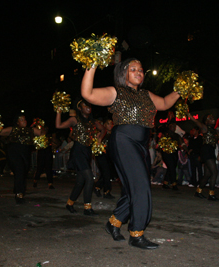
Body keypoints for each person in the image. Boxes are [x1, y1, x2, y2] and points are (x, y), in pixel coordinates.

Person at [81, 58, 180, 249]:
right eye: (132, 69)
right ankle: (137, 233)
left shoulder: (146, 94)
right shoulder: (115, 92)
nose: (138, 72)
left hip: (142, 144)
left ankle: (114, 222)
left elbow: (166, 103)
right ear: (123, 73)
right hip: (123, 140)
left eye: (141, 69)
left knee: (134, 188)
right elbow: (88, 93)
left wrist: (182, 90)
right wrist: (91, 64)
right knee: (141, 185)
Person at [56, 99, 105, 216]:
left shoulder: (94, 121)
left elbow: (103, 129)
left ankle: (70, 203)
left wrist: (99, 140)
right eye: (85, 105)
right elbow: (58, 126)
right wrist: (58, 111)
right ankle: (87, 207)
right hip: (78, 151)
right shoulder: (75, 119)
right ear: (80, 108)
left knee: (80, 181)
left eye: (89, 105)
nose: (88, 107)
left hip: (87, 152)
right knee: (89, 178)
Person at [0, 114, 42, 204]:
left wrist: (39, 124)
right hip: (14, 152)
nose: (24, 121)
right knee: (19, 169)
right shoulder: (13, 129)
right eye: (21, 120)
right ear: (17, 122)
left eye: (25, 119)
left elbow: (41, 133)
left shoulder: (30, 130)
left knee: (23, 172)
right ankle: (19, 194)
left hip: (25, 153)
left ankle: (17, 188)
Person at [188, 113, 219, 201]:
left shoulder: (215, 131)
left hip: (210, 151)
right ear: (206, 121)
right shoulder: (205, 127)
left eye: (213, 117)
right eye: (210, 118)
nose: (213, 119)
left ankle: (198, 192)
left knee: (207, 174)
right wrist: (188, 114)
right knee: (214, 172)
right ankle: (211, 194)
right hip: (206, 150)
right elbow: (195, 121)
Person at [94, 118, 117, 199]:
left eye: (111, 123)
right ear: (104, 125)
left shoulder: (113, 134)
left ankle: (97, 187)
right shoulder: (102, 133)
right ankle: (106, 191)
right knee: (106, 172)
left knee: (106, 173)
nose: (110, 125)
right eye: (108, 123)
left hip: (109, 156)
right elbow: (96, 144)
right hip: (101, 155)